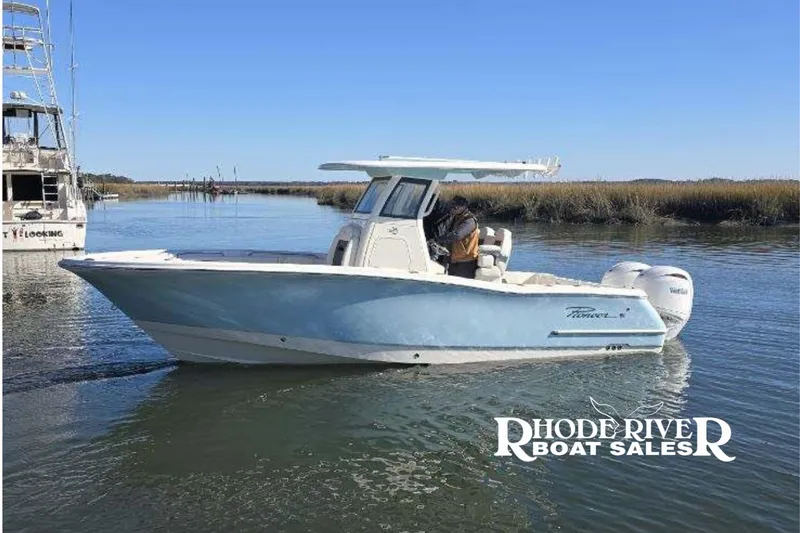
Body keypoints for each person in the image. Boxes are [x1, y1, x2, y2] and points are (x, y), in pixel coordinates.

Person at [427, 195, 479, 278]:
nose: (453, 208)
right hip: (454, 259)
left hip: (466, 261)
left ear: (464, 207)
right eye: (452, 206)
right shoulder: (456, 218)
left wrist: (438, 239)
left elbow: (457, 235)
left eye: (456, 206)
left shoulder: (469, 220)